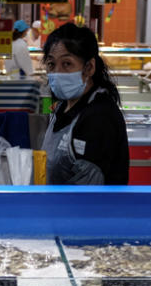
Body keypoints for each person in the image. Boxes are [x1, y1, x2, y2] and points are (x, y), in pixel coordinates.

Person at [41, 23, 128, 185]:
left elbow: (88, 194)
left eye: (67, 64)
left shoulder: (99, 117)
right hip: (56, 206)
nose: (56, 73)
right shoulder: (65, 105)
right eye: (51, 64)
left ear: (89, 67)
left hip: (89, 209)